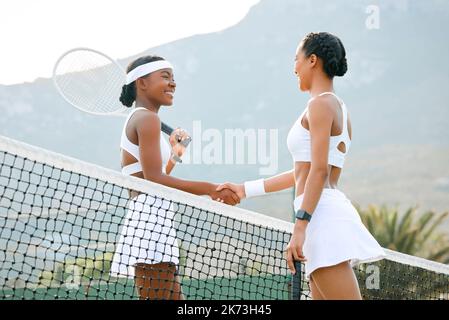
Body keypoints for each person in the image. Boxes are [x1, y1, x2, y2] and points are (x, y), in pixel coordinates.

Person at [217, 32, 385, 300]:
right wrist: (244, 189)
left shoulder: (320, 105)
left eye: (296, 59)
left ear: (312, 61)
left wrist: (300, 226)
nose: (293, 67)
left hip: (321, 217)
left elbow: (319, 172)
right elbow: (302, 173)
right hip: (320, 215)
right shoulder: (332, 105)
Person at [110, 55, 240, 300]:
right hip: (149, 220)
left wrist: (176, 153)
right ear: (142, 83)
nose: (173, 84)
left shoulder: (145, 118)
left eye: (173, 78)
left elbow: (156, 176)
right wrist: (211, 188)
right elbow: (155, 181)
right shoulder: (147, 118)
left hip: (154, 216)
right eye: (165, 77)